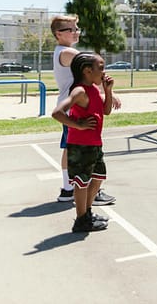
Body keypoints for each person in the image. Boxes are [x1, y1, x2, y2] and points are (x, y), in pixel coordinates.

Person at [50, 15, 117, 206]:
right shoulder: (67, 52)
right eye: (71, 29)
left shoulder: (64, 51)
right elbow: (92, 69)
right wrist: (108, 91)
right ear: (58, 34)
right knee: (85, 150)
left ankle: (68, 188)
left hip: (78, 104)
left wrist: (105, 94)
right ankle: (86, 192)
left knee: (71, 148)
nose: (76, 32)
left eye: (76, 28)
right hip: (75, 107)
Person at [52, 52, 114, 232]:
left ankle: (87, 213)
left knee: (97, 178)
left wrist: (107, 90)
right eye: (101, 68)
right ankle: (81, 220)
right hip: (81, 145)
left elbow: (106, 111)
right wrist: (77, 125)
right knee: (82, 182)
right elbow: (57, 112)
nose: (104, 72)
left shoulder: (94, 89)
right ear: (87, 71)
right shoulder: (79, 91)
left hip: (95, 143)